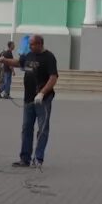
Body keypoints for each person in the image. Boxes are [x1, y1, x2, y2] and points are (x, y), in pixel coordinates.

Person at [13, 34, 58, 168]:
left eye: (32, 44)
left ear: (39, 44)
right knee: (26, 128)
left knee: (42, 129)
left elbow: (53, 77)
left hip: (42, 101)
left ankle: (38, 158)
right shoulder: (29, 55)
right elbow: (18, 63)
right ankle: (24, 158)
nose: (29, 46)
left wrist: (42, 93)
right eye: (29, 44)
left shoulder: (49, 57)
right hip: (28, 99)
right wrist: (2, 60)